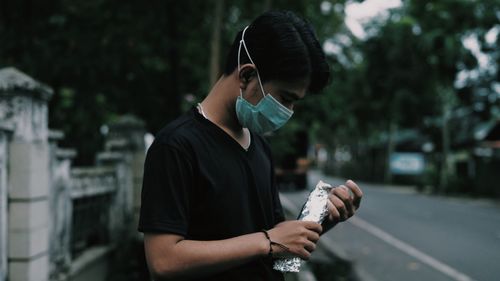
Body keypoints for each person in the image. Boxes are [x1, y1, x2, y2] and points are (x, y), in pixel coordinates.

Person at [138, 10, 363, 281]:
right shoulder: (176, 146)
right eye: (285, 98)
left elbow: (279, 249)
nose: (287, 111)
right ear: (246, 76)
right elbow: (163, 261)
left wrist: (320, 220)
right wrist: (267, 241)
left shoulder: (259, 147)